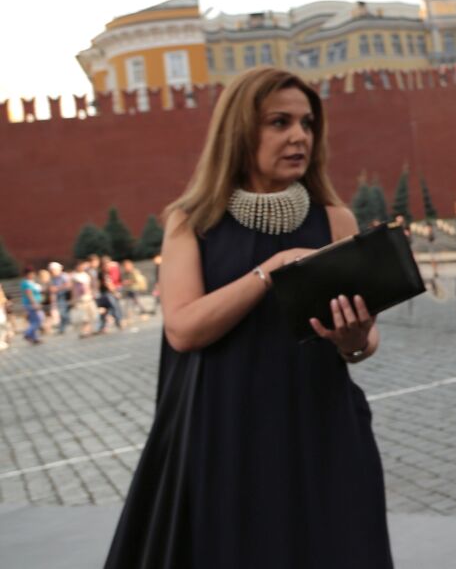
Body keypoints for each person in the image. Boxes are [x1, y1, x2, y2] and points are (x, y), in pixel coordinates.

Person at [105, 68, 393, 568]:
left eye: (306, 123)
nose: (299, 135)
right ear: (240, 130)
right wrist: (270, 270)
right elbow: (183, 329)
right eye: (278, 122)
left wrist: (355, 337)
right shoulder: (193, 220)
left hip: (318, 423)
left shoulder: (334, 219)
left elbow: (361, 344)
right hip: (226, 430)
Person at [19, 267, 44, 345]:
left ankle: (34, 338)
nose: (33, 275)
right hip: (31, 304)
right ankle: (27, 333)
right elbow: (29, 294)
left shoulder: (31, 282)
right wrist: (35, 304)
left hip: (32, 303)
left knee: (33, 321)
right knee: (38, 319)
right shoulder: (26, 283)